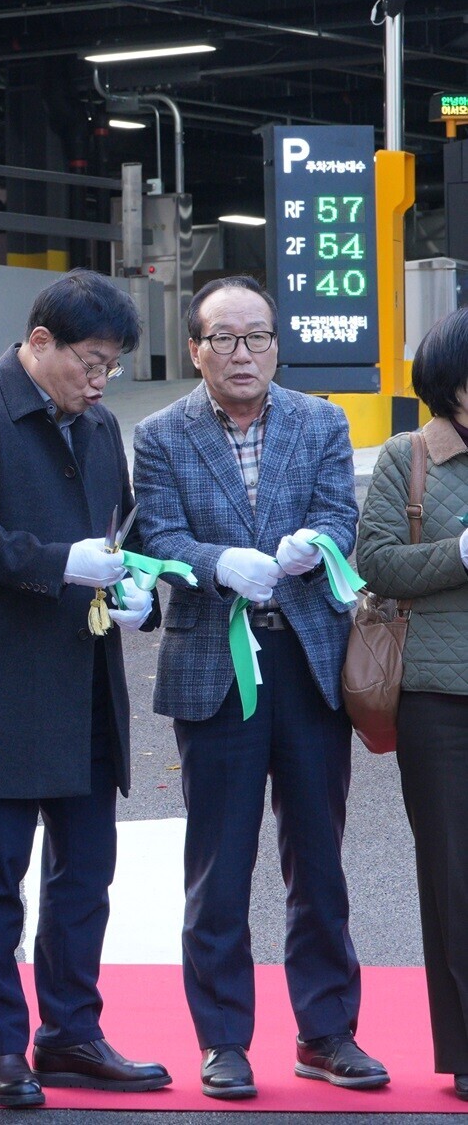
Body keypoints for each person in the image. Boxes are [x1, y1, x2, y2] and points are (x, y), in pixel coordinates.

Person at [0, 269, 169, 1109]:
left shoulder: (98, 429)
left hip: (86, 681)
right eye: (90, 361)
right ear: (38, 344)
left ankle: (70, 1034)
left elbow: (119, 531)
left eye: (112, 367)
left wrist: (138, 592)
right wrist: (58, 564)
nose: (101, 381)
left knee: (85, 874)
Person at [133, 274, 386, 1099]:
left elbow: (340, 518)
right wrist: (215, 565)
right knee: (220, 864)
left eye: (258, 337)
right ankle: (223, 1041)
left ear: (277, 342)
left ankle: (326, 1032)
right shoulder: (162, 434)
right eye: (225, 339)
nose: (243, 354)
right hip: (214, 666)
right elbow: (163, 533)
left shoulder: (322, 420)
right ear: (197, 349)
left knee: (317, 859)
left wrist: (317, 542)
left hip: (308, 661)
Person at [356, 307, 468, 1104]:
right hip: (438, 702)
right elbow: (380, 562)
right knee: (454, 876)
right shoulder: (409, 458)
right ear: (450, 384)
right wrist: (461, 552)